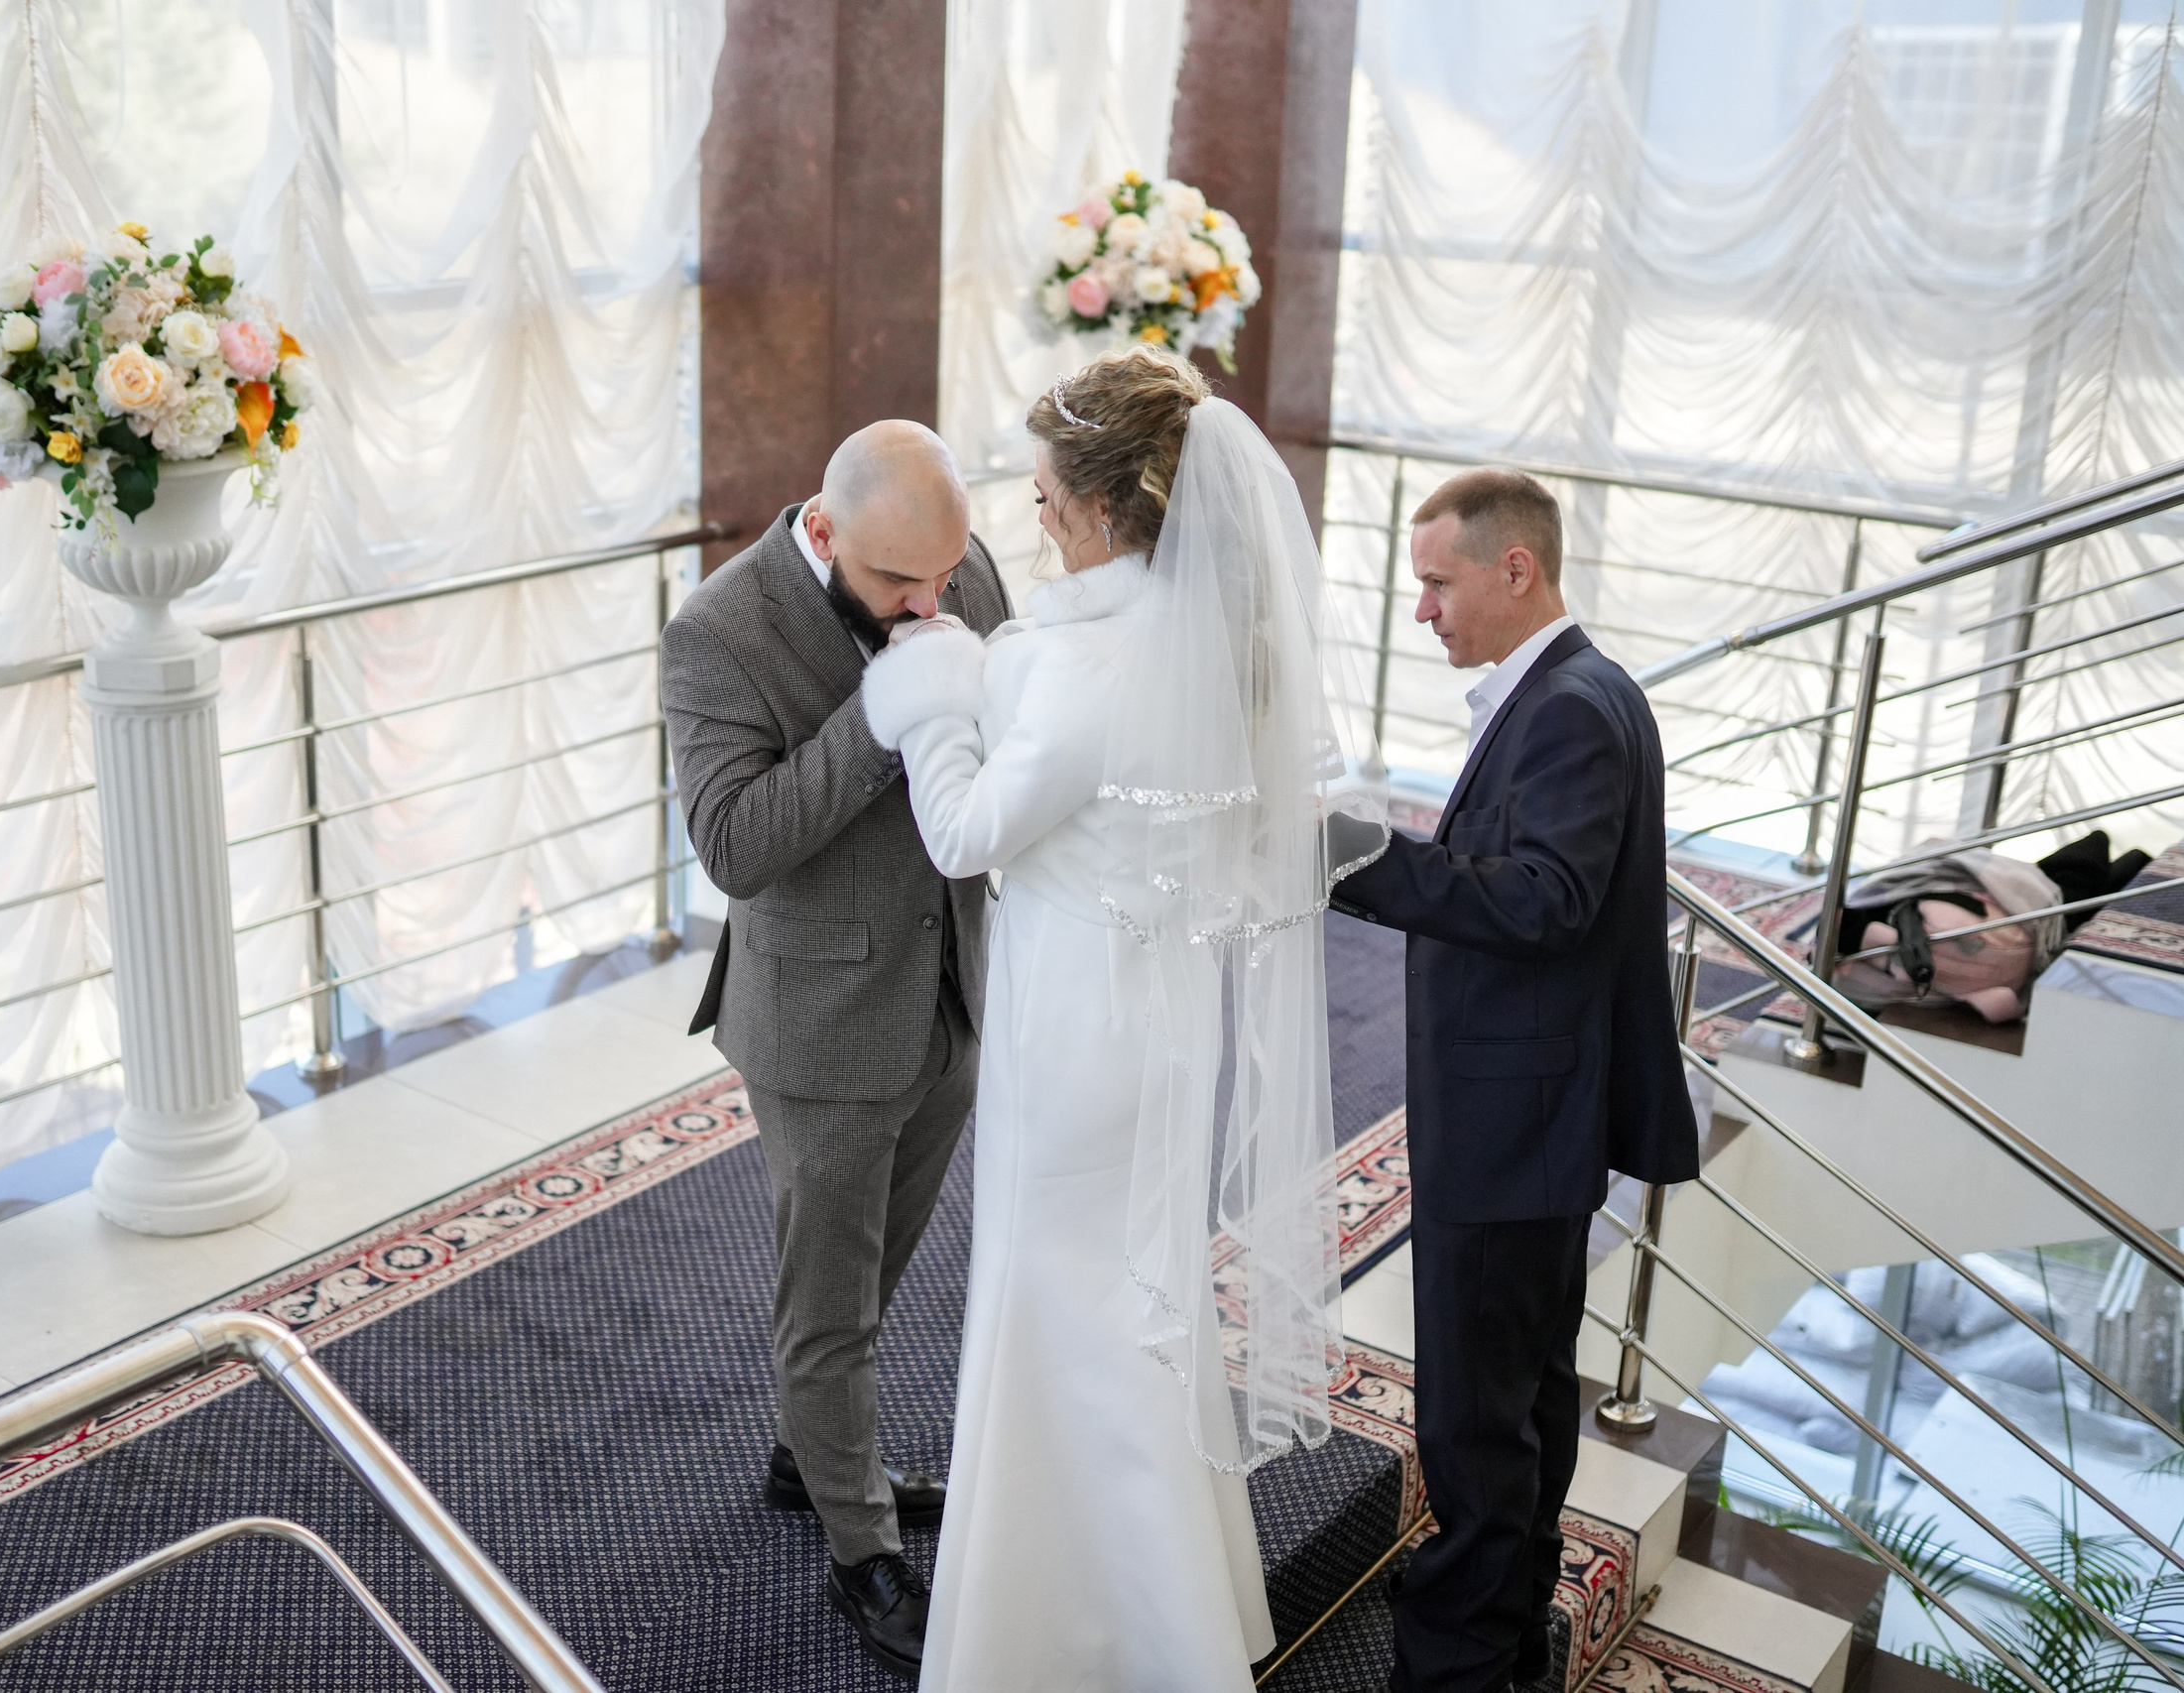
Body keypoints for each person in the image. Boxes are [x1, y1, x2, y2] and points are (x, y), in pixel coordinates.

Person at [855, 348, 1389, 1691]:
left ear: (1102, 506)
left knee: (1065, 1301)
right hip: (1157, 1016)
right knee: (1139, 1296)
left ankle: (1081, 1630)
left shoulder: (1083, 664)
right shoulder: (1205, 633)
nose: (1030, 516)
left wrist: (928, 689)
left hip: (1076, 1028)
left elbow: (968, 833)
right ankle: (1162, 1606)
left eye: (1041, 495)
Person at [1320, 468, 1700, 1693]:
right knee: (1524, 1394)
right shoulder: (1571, 690)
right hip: (1527, 1116)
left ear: (1512, 570)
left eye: (1436, 582)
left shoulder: (1573, 707)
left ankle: (1460, 1658)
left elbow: (1545, 901)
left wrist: (1360, 859)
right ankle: (1507, 1621)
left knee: (1475, 1420)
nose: (1422, 609)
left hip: (1514, 1120)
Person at [661, 420, 1015, 1681]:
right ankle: (857, 1546)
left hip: (951, 996)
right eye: (899, 586)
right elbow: (737, 847)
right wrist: (876, 718)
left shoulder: (950, 565)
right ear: (822, 531)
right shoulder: (718, 630)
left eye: (946, 577)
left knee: (866, 1280)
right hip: (817, 1028)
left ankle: (814, 1453)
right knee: (827, 1312)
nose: (934, 602)